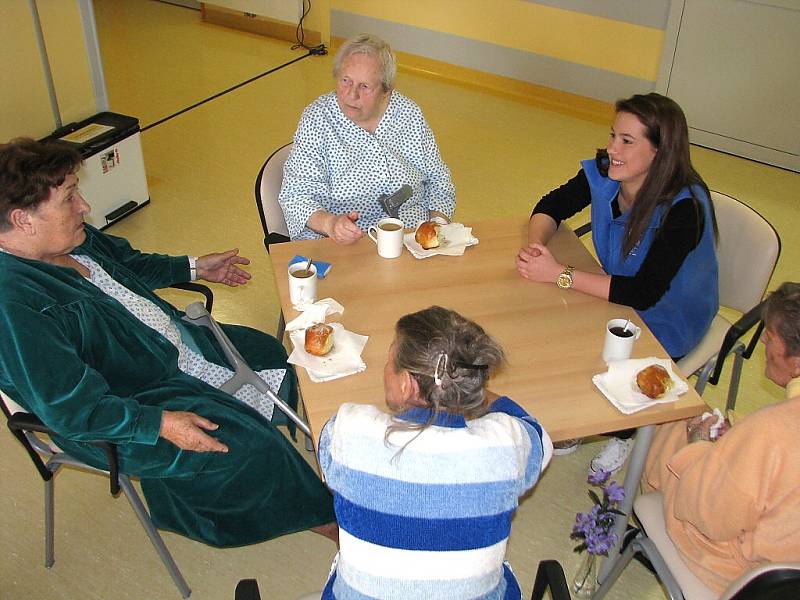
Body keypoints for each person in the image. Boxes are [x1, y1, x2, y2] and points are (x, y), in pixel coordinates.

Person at [0, 138, 336, 547]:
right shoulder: (16, 306)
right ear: (22, 221)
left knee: (271, 354)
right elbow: (72, 410)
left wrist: (196, 266)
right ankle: (327, 524)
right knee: (244, 447)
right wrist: (157, 423)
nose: (84, 206)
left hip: (171, 346)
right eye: (70, 197)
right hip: (129, 403)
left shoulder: (70, 240)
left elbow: (130, 263)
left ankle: (284, 452)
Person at [517, 93, 719, 475]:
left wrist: (560, 274)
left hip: (669, 318)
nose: (612, 149)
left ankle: (624, 432)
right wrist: (536, 248)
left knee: (591, 346)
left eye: (627, 141)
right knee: (551, 326)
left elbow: (644, 292)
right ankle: (586, 414)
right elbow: (550, 206)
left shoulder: (685, 208)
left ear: (660, 152)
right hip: (617, 291)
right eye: (613, 136)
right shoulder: (608, 168)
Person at [317, 306, 553, 599]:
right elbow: (541, 438)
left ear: (406, 384)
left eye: (390, 361)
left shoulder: (351, 430)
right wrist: (470, 393)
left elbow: (326, 454)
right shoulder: (505, 444)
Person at [642, 282, 800, 594]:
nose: (765, 343)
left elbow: (705, 513)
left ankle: (636, 527)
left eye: (770, 338)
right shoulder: (770, 432)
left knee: (673, 423)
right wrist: (736, 447)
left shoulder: (772, 431)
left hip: (742, 576)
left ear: (796, 361)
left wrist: (700, 443)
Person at [279, 33, 455, 243]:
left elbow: (438, 179)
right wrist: (330, 224)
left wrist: (436, 227)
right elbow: (295, 195)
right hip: (343, 242)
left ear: (386, 91)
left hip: (410, 237)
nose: (351, 95)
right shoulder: (317, 119)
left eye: (364, 86)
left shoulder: (408, 114)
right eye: (345, 81)